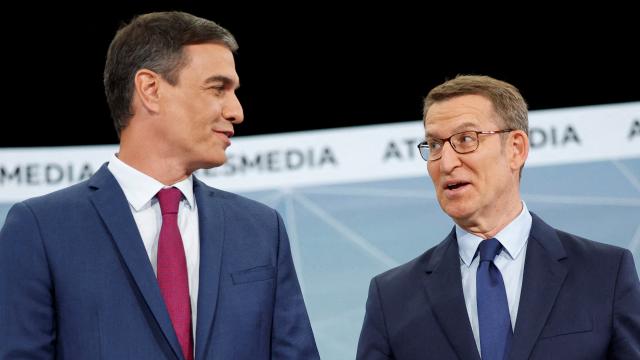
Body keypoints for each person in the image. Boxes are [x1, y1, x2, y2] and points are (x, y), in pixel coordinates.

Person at [0, 11, 319, 359]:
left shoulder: (261, 230)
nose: (236, 111)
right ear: (150, 89)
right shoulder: (41, 229)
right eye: (217, 89)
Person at [356, 75, 640, 359]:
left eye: (466, 139)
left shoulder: (605, 274)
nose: (446, 162)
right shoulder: (392, 298)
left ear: (516, 149)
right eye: (435, 145)